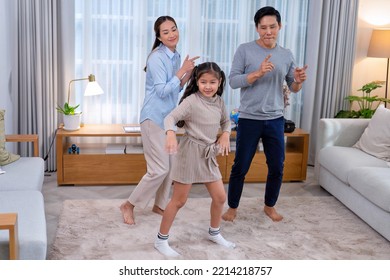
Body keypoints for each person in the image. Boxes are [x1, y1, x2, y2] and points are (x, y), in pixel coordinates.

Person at [222, 6, 308, 223]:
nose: (268, 31)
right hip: (249, 118)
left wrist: (298, 80)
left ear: (280, 27)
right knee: (240, 166)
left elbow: (293, 87)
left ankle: (269, 206)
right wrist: (257, 73)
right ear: (257, 28)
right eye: (263, 27)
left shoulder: (286, 54)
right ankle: (232, 207)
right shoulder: (244, 50)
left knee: (277, 167)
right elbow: (232, 81)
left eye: (272, 27)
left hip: (275, 119)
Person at [120, 16, 199, 225]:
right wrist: (181, 71)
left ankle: (159, 205)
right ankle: (129, 204)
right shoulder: (156, 57)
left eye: (174, 29)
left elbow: (175, 88)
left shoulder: (175, 55)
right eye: (166, 32)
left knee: (171, 167)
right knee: (159, 169)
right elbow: (162, 91)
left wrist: (187, 75)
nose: (172, 34)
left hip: (168, 120)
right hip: (153, 118)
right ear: (159, 37)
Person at [154, 62, 236, 257]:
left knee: (220, 197)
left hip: (208, 154)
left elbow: (226, 121)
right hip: (189, 154)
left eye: (212, 82)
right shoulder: (191, 101)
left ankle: (214, 232)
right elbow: (169, 118)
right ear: (197, 82)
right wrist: (171, 134)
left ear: (220, 81)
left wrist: (225, 133)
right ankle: (160, 240)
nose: (208, 86)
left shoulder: (219, 102)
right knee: (179, 200)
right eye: (203, 82)